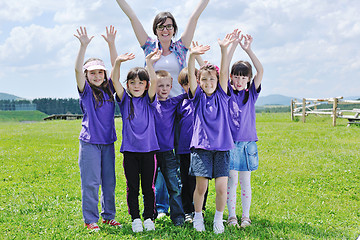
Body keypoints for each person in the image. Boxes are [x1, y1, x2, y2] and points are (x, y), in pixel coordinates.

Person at [74, 26, 122, 232]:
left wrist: (111, 44)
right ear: (86, 75)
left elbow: (115, 67)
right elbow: (77, 69)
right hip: (90, 144)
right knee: (91, 184)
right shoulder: (85, 92)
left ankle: (108, 216)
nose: (97, 75)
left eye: (99, 72)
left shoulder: (110, 88)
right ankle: (90, 219)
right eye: (92, 72)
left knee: (109, 183)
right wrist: (83, 46)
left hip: (107, 142)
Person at [187, 34, 235, 234]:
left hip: (222, 148)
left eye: (211, 79)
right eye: (204, 79)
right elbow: (190, 75)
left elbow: (224, 72)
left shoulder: (223, 95)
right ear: (199, 81)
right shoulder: (197, 96)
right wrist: (191, 57)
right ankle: (198, 216)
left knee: (222, 188)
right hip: (201, 148)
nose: (208, 82)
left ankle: (218, 219)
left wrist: (224, 50)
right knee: (201, 187)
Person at [111, 47, 162, 233]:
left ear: (146, 85)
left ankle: (149, 217)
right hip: (130, 152)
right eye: (132, 82)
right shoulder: (125, 100)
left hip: (149, 152)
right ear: (128, 85)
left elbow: (155, 80)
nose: (136, 85)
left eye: (141, 82)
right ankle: (135, 218)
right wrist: (117, 63)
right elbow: (114, 80)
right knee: (132, 188)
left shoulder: (150, 100)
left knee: (148, 187)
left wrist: (148, 63)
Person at [115, 0, 209, 97]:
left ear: (174, 30)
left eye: (169, 26)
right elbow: (133, 18)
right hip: (154, 103)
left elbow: (194, 18)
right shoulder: (149, 46)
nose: (165, 30)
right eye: (161, 27)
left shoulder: (181, 47)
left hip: (178, 102)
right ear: (155, 30)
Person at [226, 30, 264, 228]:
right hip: (230, 144)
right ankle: (231, 216)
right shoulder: (227, 93)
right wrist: (232, 46)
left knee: (245, 182)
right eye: (236, 77)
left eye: (243, 78)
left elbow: (261, 70)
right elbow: (223, 71)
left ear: (248, 79)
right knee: (231, 181)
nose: (239, 81)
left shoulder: (251, 95)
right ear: (232, 78)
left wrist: (248, 50)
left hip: (248, 144)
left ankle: (245, 216)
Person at [153, 70, 187, 226]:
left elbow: (192, 91)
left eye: (167, 85)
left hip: (168, 153)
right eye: (160, 85)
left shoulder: (174, 102)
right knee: (151, 185)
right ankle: (153, 213)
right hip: (151, 152)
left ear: (172, 86)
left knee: (174, 185)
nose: (164, 89)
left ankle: (178, 216)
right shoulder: (150, 102)